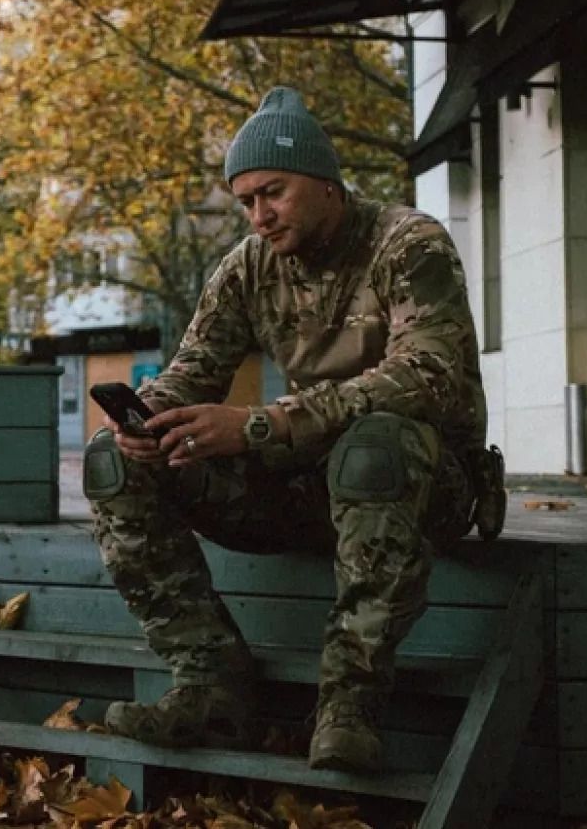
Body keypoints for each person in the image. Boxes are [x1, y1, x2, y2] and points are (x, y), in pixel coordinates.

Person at [84, 86, 489, 773]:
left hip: (423, 489)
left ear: (326, 183)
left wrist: (264, 426)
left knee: (375, 448)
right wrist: (149, 420)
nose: (259, 215)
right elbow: (192, 371)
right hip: (304, 490)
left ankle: (349, 706)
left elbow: (428, 375)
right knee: (112, 462)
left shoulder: (408, 243)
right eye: (245, 201)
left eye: (273, 192)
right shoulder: (249, 266)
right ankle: (210, 681)